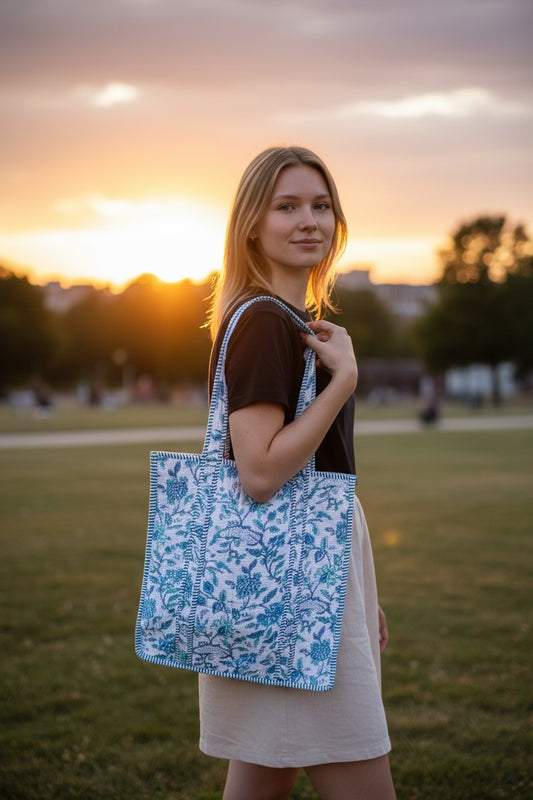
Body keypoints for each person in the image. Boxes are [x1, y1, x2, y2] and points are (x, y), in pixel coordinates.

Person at [201, 146, 396, 800]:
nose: (310, 220)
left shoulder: (287, 322)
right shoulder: (263, 324)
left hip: (300, 574)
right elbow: (259, 472)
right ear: (252, 225)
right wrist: (343, 382)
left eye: (321, 205)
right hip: (293, 590)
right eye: (287, 206)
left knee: (263, 778)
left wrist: (358, 589)